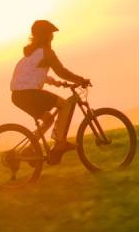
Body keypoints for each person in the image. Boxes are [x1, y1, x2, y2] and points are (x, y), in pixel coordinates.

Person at [9, 20, 91, 164]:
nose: (52, 37)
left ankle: (29, 149)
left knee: (48, 119)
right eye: (50, 34)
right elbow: (61, 71)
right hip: (29, 94)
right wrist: (80, 80)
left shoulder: (30, 54)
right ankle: (60, 143)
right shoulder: (46, 52)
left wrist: (58, 84)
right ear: (44, 36)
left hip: (17, 96)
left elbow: (37, 74)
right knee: (65, 105)